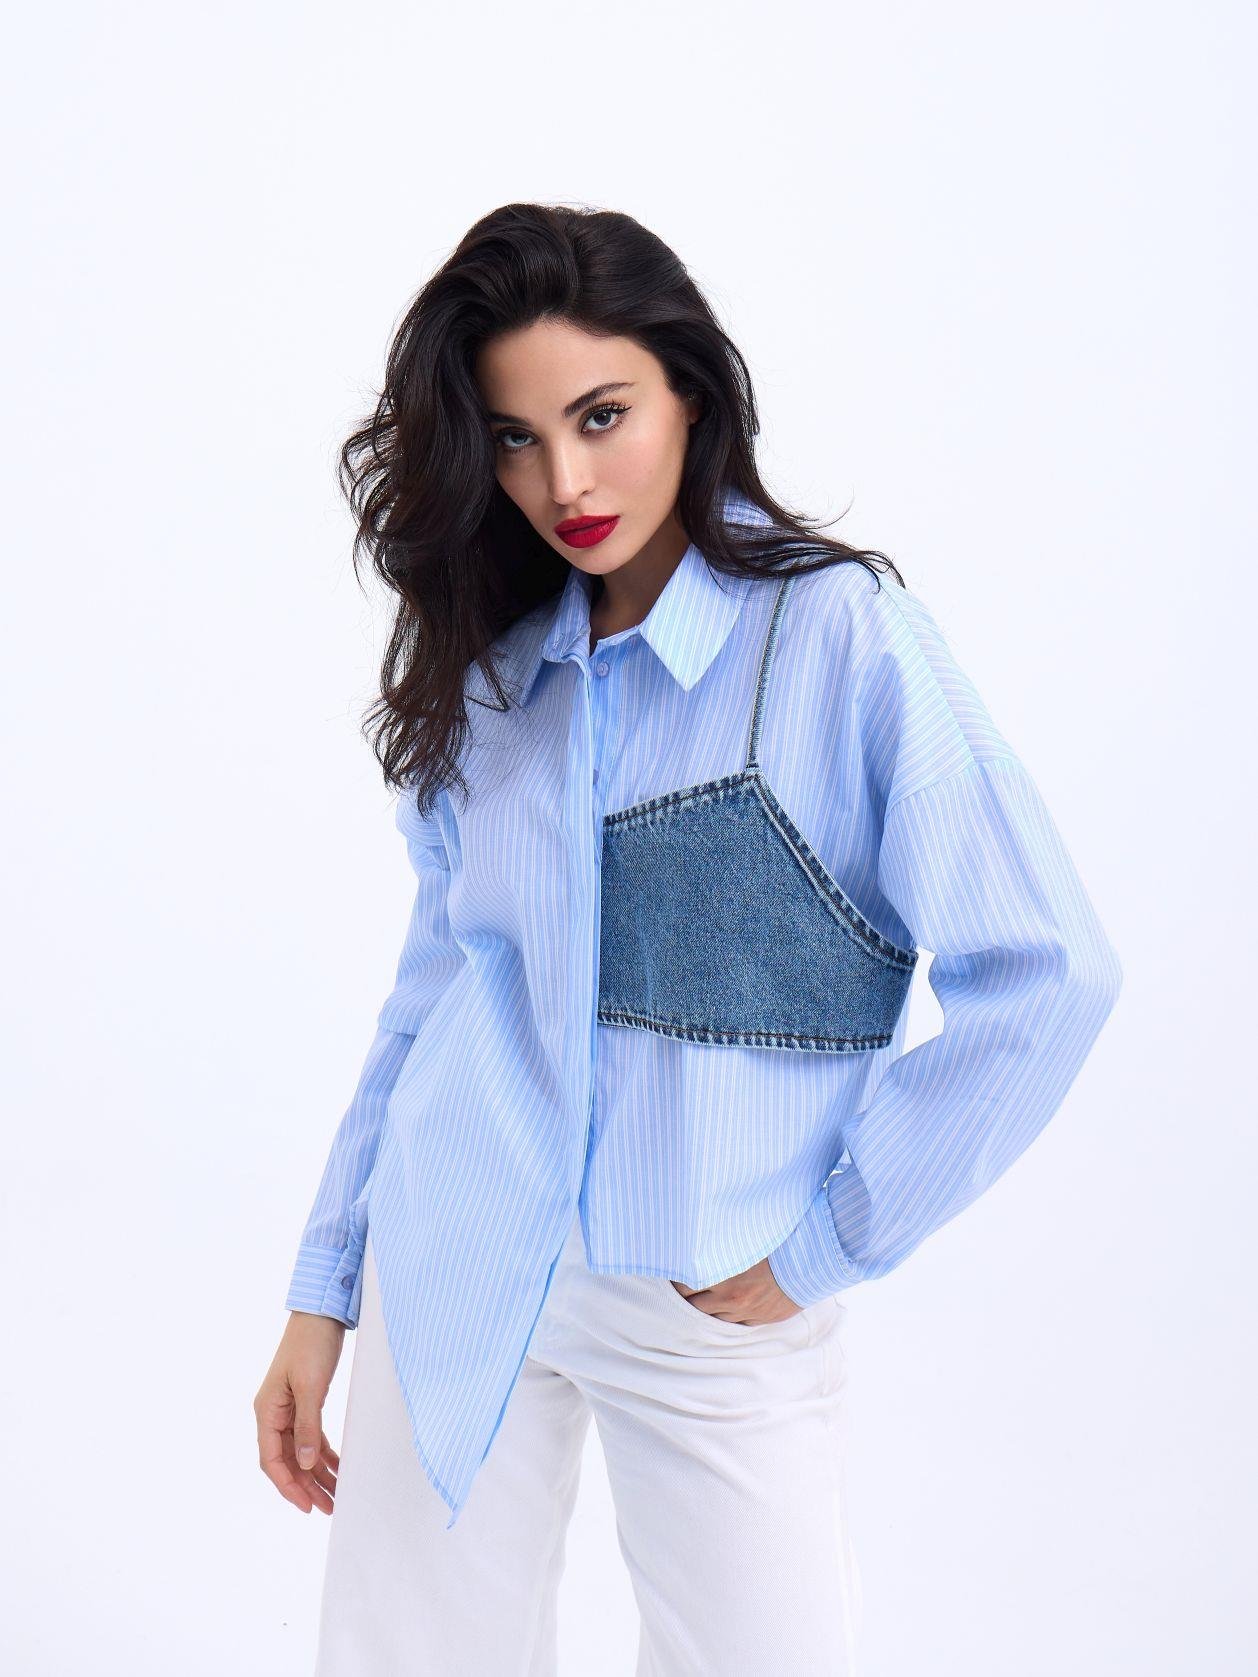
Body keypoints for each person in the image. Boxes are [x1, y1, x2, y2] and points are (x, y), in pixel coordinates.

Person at [253, 202, 1123, 1675]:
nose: (565, 481)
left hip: (714, 1292)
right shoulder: (496, 675)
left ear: (693, 397)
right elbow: (435, 994)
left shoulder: (836, 634)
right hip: (457, 1244)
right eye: (515, 438)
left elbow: (1049, 974)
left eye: (601, 415)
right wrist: (322, 1286)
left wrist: (832, 1239)